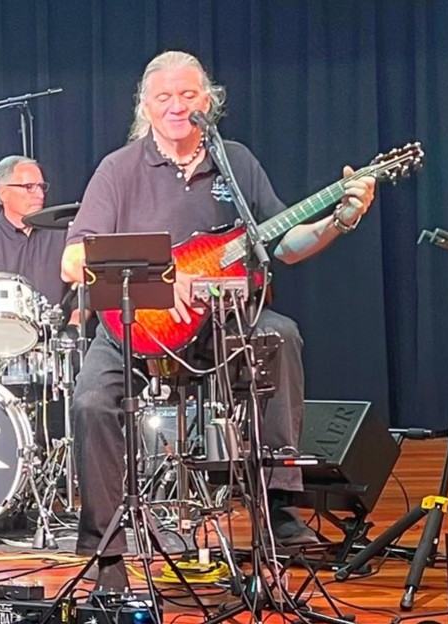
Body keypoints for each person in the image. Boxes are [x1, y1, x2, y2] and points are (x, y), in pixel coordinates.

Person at [58, 50, 376, 587]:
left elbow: (284, 243)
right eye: (164, 97)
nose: (176, 106)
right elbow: (73, 259)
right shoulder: (119, 169)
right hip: (135, 325)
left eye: (189, 95)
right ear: (145, 106)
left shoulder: (235, 162)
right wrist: (161, 277)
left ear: (208, 101)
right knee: (91, 401)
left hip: (222, 321)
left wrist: (338, 222)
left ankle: (278, 510)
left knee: (281, 335)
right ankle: (105, 550)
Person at [0, 156, 67, 305]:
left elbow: (83, 287)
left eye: (41, 186)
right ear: (3, 193)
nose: (40, 194)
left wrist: (77, 316)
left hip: (62, 321)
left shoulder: (61, 234)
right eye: (29, 186)